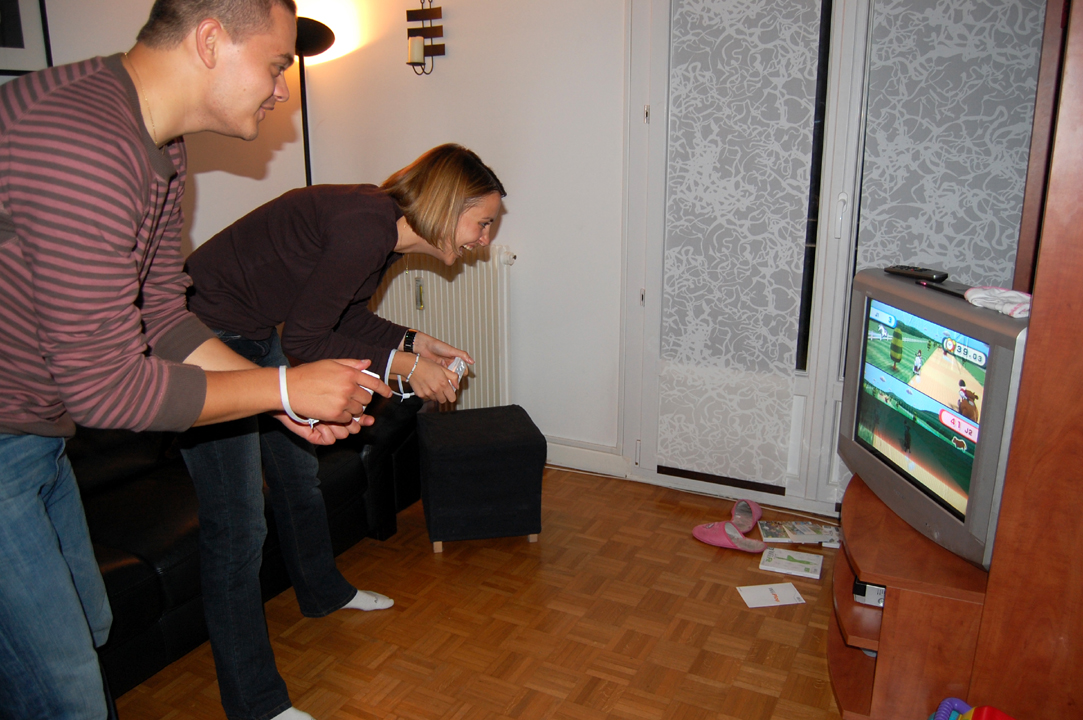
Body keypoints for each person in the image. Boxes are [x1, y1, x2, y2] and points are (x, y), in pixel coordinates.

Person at [0, 2, 390, 719]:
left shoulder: (160, 146)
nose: (281, 89)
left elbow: (163, 314)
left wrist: (280, 400)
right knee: (64, 691)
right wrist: (282, 385)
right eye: (275, 65)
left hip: (34, 431)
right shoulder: (82, 144)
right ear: (211, 40)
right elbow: (109, 391)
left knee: (89, 626)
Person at [181, 143, 505, 720]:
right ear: (447, 205)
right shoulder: (365, 226)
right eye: (482, 223)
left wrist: (413, 342)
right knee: (237, 525)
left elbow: (345, 315)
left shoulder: (382, 233)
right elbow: (307, 339)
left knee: (297, 478)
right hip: (200, 338)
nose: (484, 239)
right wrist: (405, 366)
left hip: (252, 331)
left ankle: (323, 592)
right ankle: (255, 705)